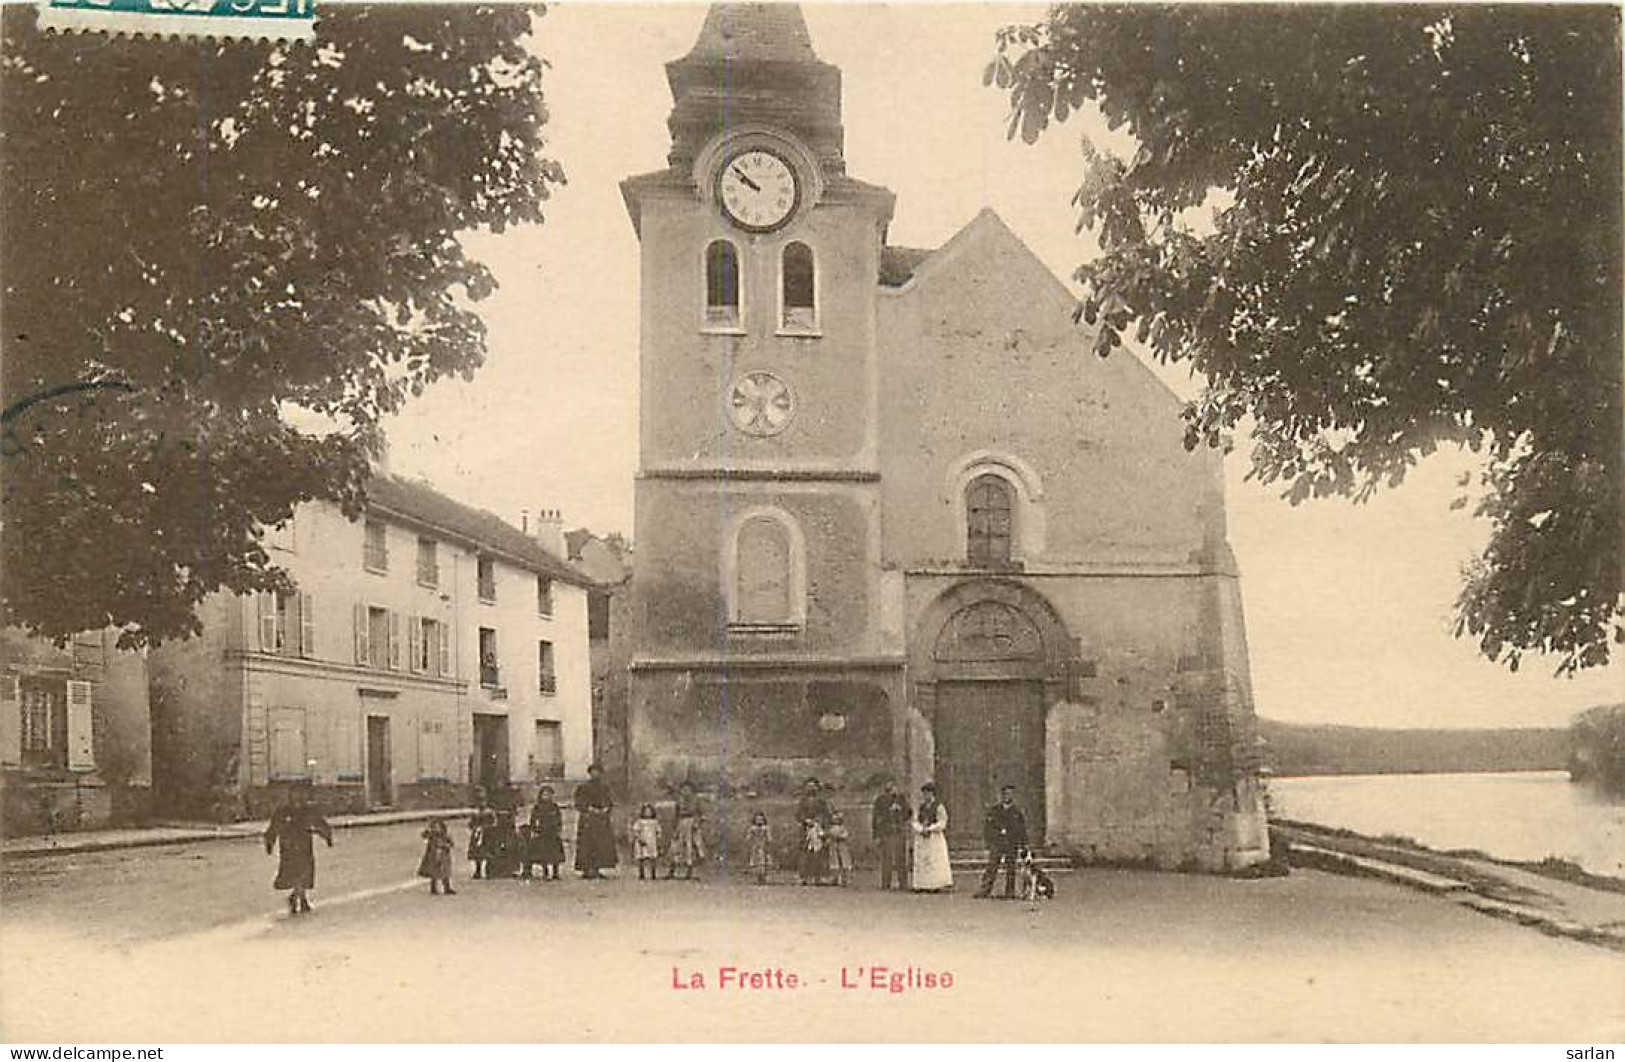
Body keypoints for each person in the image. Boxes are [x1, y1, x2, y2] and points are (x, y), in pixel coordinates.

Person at [263, 783, 333, 915]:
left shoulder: (308, 810)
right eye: (295, 793)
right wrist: (270, 842)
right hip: (288, 845)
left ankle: (298, 897)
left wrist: (327, 836)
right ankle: (299, 898)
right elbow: (274, 826)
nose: (299, 796)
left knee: (304, 872)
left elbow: (319, 823)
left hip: (304, 844)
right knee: (294, 872)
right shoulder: (283, 811)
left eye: (301, 793)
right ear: (290, 795)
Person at [975, 784, 1029, 899]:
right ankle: (985, 890)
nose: (1007, 796)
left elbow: (1021, 829)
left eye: (1010, 794)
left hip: (1011, 843)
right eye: (1005, 794)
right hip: (997, 843)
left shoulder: (1017, 813)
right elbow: (988, 827)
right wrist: (990, 841)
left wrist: (1023, 845)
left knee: (1011, 867)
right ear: (1002, 795)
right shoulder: (995, 810)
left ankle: (1010, 891)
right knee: (992, 866)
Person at [573, 763, 617, 879]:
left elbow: (609, 801)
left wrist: (606, 809)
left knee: (601, 845)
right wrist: (589, 809)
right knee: (587, 844)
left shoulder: (604, 788)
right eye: (593, 771)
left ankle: (597, 868)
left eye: (597, 771)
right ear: (589, 773)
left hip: (601, 820)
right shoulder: (583, 787)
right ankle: (587, 869)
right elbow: (578, 802)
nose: (595, 774)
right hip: (588, 819)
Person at [910, 782, 952, 893]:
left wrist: (930, 828)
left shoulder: (939, 807)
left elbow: (942, 822)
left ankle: (934, 884)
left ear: (932, 794)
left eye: (928, 793)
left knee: (934, 859)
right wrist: (920, 828)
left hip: (934, 837)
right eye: (924, 794)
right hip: (922, 837)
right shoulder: (921, 807)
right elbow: (915, 820)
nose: (926, 796)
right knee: (922, 860)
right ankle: (921, 884)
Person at [871, 779, 912, 890]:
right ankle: (886, 883)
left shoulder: (901, 799)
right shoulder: (880, 800)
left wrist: (900, 811)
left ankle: (903, 883)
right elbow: (875, 819)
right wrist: (876, 835)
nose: (891, 788)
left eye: (893, 785)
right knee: (886, 859)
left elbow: (909, 813)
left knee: (901, 858)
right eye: (888, 786)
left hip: (898, 831)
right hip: (886, 832)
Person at [793, 777, 832, 886]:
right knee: (805, 853)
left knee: (820, 853)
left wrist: (820, 823)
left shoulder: (822, 802)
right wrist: (806, 821)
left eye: (813, 786)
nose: (811, 788)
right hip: (806, 830)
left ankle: (819, 876)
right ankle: (803, 876)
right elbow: (798, 815)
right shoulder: (803, 802)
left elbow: (827, 815)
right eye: (809, 786)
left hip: (819, 829)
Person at [666, 781, 706, 881]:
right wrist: (674, 825)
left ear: (692, 791)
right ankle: (671, 870)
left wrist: (697, 824)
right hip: (681, 824)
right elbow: (676, 814)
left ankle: (689, 871)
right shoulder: (679, 801)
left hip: (691, 824)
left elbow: (701, 814)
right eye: (683, 790)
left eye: (688, 790)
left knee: (690, 848)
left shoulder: (696, 801)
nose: (685, 792)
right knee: (675, 847)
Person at [524, 786, 565, 882]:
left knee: (555, 854)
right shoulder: (538, 807)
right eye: (545, 794)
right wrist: (534, 830)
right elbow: (533, 820)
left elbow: (559, 819)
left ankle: (555, 873)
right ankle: (545, 872)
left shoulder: (555, 807)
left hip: (553, 832)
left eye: (549, 794)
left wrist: (558, 828)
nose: (547, 796)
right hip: (542, 832)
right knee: (543, 854)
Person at [484, 797, 523, 879]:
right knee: (496, 846)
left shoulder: (511, 796)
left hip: (509, 829)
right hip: (499, 829)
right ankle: (495, 870)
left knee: (512, 845)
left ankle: (511, 869)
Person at [417, 817, 456, 896]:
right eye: (434, 827)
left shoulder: (445, 835)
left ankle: (446, 887)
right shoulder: (432, 836)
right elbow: (424, 835)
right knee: (434, 872)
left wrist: (446, 846)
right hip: (433, 855)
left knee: (445, 872)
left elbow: (451, 843)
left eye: (438, 827)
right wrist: (427, 831)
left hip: (443, 855)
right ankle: (433, 888)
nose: (436, 829)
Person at [467, 791, 496, 880]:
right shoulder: (475, 813)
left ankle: (489, 871)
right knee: (477, 853)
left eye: (483, 801)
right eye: (479, 801)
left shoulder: (489, 812)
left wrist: (487, 827)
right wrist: (474, 827)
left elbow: (493, 822)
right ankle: (478, 870)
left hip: (487, 834)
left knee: (488, 852)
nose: (481, 803)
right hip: (477, 834)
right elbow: (471, 823)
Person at [631, 803, 662, 881]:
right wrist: (639, 838)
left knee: (652, 857)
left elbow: (658, 831)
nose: (647, 813)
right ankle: (642, 874)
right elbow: (636, 830)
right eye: (646, 811)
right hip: (642, 841)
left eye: (649, 811)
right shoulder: (640, 822)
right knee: (641, 857)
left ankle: (653, 874)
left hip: (652, 841)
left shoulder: (654, 822)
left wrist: (658, 839)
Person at [826, 810, 854, 887]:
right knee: (834, 862)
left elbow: (846, 835)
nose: (835, 821)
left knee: (844, 861)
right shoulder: (831, 829)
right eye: (834, 820)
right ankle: (835, 878)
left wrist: (840, 837)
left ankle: (845, 879)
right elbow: (829, 836)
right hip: (834, 846)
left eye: (837, 820)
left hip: (842, 846)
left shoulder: (842, 828)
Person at [746, 811, 773, 885]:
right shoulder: (752, 828)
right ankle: (758, 877)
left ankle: (763, 877)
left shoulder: (766, 828)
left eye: (761, 819)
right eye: (758, 819)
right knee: (756, 863)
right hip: (755, 847)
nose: (759, 821)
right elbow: (748, 838)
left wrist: (767, 841)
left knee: (763, 863)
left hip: (763, 847)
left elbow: (769, 838)